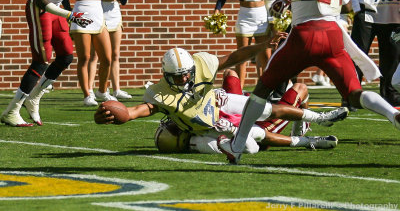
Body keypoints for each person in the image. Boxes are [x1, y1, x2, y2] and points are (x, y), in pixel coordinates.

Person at [217, 0, 400, 164]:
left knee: (262, 89)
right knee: (355, 94)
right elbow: (345, 2)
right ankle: (393, 113)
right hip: (333, 34)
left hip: (307, 33)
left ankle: (237, 145)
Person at [94, 45, 349, 154]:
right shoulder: (160, 93)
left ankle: (320, 118)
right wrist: (118, 115)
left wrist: (263, 45)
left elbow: (234, 58)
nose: (183, 80)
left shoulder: (202, 63)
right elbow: (137, 110)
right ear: (166, 76)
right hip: (207, 125)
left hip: (218, 102)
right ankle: (307, 141)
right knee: (253, 141)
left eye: (186, 75)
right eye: (177, 77)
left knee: (265, 109)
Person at [1, 0, 91, 127]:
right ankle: (12, 111)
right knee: (42, 59)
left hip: (58, 7)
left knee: (66, 56)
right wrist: (70, 14)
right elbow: (42, 1)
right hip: (40, 10)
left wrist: (68, 11)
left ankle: (34, 97)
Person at [214, 0, 282, 89]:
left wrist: (285, 7)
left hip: (261, 18)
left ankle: (265, 89)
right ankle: (239, 89)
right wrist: (217, 11)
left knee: (265, 56)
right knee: (241, 57)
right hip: (244, 17)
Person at [69, 0, 116, 106]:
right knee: (85, 58)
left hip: (98, 15)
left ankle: (102, 91)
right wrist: (71, 13)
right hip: (80, 15)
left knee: (107, 59)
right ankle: (87, 94)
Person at [87, 0, 133, 101]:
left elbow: (124, 1)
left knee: (115, 54)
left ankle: (117, 89)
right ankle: (90, 91)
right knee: (94, 55)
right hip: (98, 13)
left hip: (114, 14)